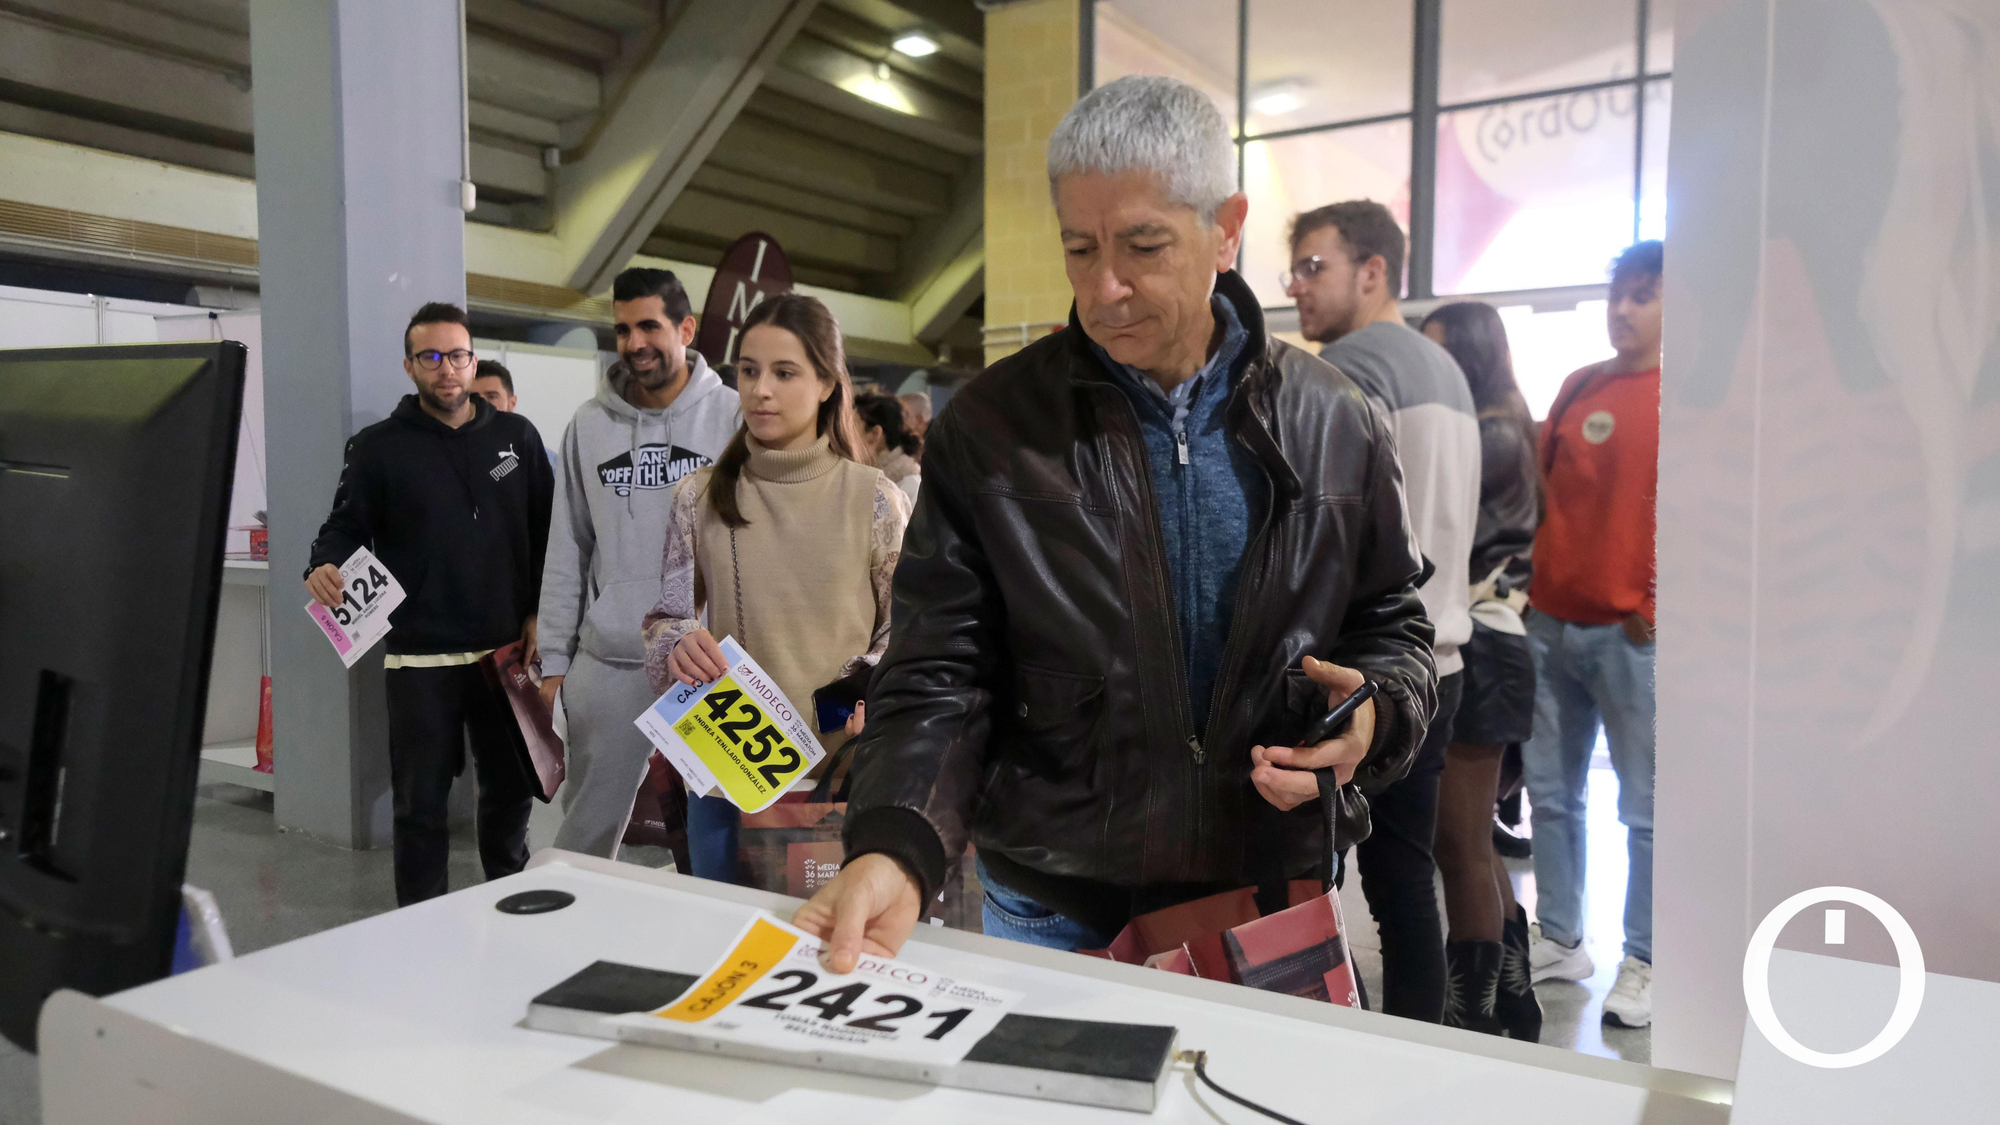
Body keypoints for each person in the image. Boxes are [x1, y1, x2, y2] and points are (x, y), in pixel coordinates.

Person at [790, 75, 1436, 972]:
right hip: (1056, 895)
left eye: (1143, 245)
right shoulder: (996, 426)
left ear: (1227, 225)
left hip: (1268, 884)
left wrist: (1374, 715)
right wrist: (898, 842)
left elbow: (1391, 622)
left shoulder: (1337, 418)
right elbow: (940, 662)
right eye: (1079, 248)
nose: (1106, 287)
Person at [1285, 200, 1479, 1024]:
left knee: (1317, 885)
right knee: (1406, 885)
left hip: (1368, 673)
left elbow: (1319, 534)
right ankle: (1416, 1057)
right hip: (1444, 662)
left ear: (1372, 271)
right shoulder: (1448, 371)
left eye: (1312, 267)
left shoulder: (1350, 369)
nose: (1295, 286)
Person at [642, 293, 908, 884]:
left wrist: (866, 691)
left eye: (785, 373)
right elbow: (665, 621)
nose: (760, 390)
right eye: (749, 370)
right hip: (726, 771)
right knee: (725, 950)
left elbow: (907, 634)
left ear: (826, 384)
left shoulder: (876, 499)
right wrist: (680, 642)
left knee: (825, 955)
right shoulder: (698, 495)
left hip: (842, 776)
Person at [305, 301, 555, 906]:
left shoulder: (516, 437)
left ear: (474, 361)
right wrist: (321, 564)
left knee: (509, 791)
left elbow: (550, 534)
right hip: (419, 660)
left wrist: (541, 612)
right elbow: (342, 527)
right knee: (419, 805)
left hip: (505, 653)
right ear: (410, 366)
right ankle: (418, 923)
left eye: (458, 355)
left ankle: (510, 900)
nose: (448, 369)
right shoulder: (376, 447)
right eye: (432, 357)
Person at [537, 267, 741, 859]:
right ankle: (564, 941)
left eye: (649, 325)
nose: (634, 343)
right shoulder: (589, 425)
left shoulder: (732, 417)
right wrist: (556, 661)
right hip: (612, 659)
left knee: (720, 837)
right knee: (584, 836)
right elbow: (567, 547)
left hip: (708, 663)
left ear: (686, 328)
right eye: (622, 329)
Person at [1523, 240, 1664, 1030]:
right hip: (1551, 622)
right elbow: (1543, 499)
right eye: (1619, 292)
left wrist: (1655, 600)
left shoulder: (1687, 395)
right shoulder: (1580, 385)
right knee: (1550, 795)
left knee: (1643, 809)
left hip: (1631, 633)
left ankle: (1644, 956)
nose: (1623, 308)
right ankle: (1561, 937)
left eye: (1643, 295)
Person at [1420, 300, 1543, 1039]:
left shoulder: (1490, 434)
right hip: (1496, 642)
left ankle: (1474, 1019)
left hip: (1485, 645)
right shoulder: (1503, 423)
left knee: (1459, 842)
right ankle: (1512, 1000)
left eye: (1439, 354)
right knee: (1474, 841)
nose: (1431, 370)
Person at [853, 392, 922, 506]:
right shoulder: (867, 480)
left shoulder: (911, 488)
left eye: (851, 429)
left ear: (875, 434)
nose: (843, 438)